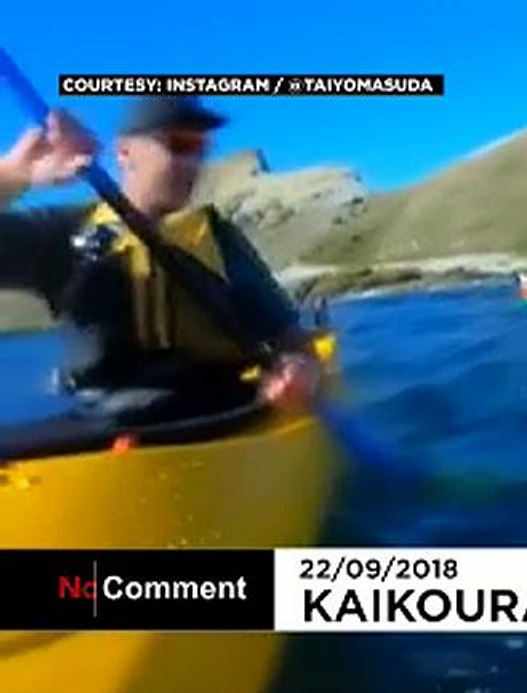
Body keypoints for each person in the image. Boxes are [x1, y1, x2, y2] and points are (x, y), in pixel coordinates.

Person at [0, 96, 323, 452]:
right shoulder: (64, 235)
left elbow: (290, 337)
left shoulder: (216, 238)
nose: (194, 163)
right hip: (102, 421)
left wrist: (299, 366)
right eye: (180, 145)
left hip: (225, 409)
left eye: (201, 148)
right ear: (124, 153)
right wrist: (14, 175)